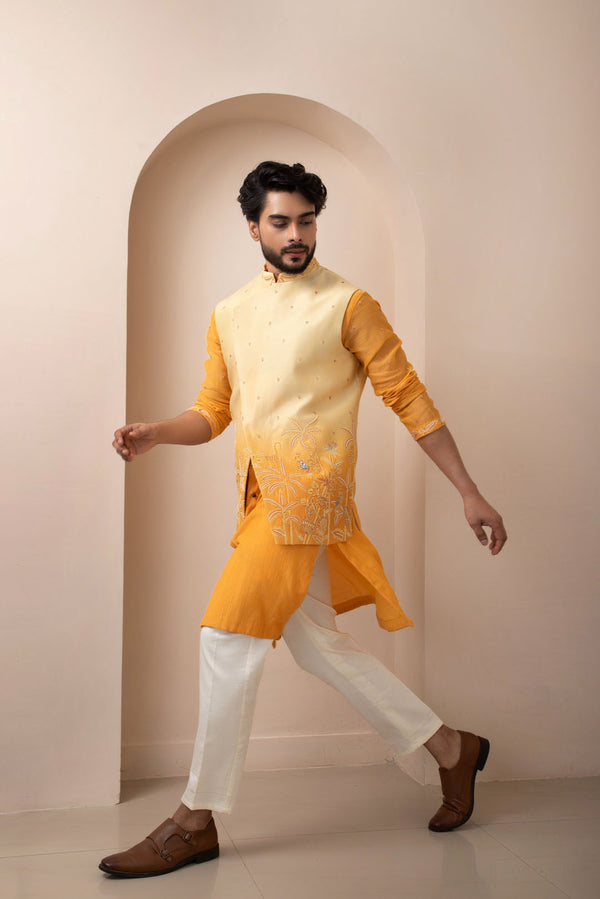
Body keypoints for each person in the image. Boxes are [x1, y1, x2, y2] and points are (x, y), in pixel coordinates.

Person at [100, 161, 506, 878]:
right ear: (253, 227)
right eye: (281, 221)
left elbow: (410, 400)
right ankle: (451, 747)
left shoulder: (349, 304)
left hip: (310, 495)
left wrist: (468, 490)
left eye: (307, 220)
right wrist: (159, 431)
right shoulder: (229, 312)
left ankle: (195, 818)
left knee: (225, 636)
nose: (296, 234)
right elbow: (213, 412)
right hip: (259, 500)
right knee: (318, 646)